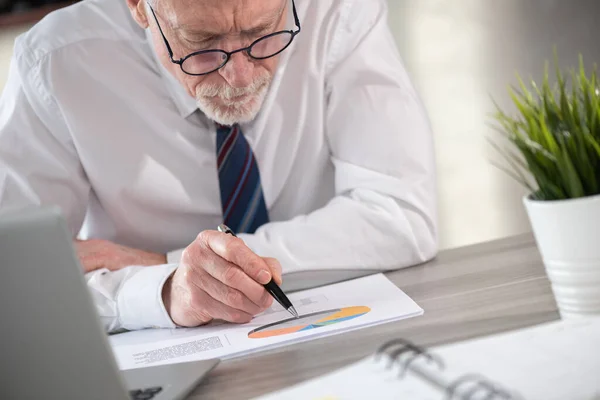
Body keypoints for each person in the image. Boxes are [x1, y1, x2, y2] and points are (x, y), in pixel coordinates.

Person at [0, 0, 438, 333]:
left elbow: (400, 216)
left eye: (264, 34)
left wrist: (164, 264)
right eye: (202, 45)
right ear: (138, 7)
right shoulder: (55, 61)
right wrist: (164, 293)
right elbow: (18, 279)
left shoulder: (337, 11)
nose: (241, 76)